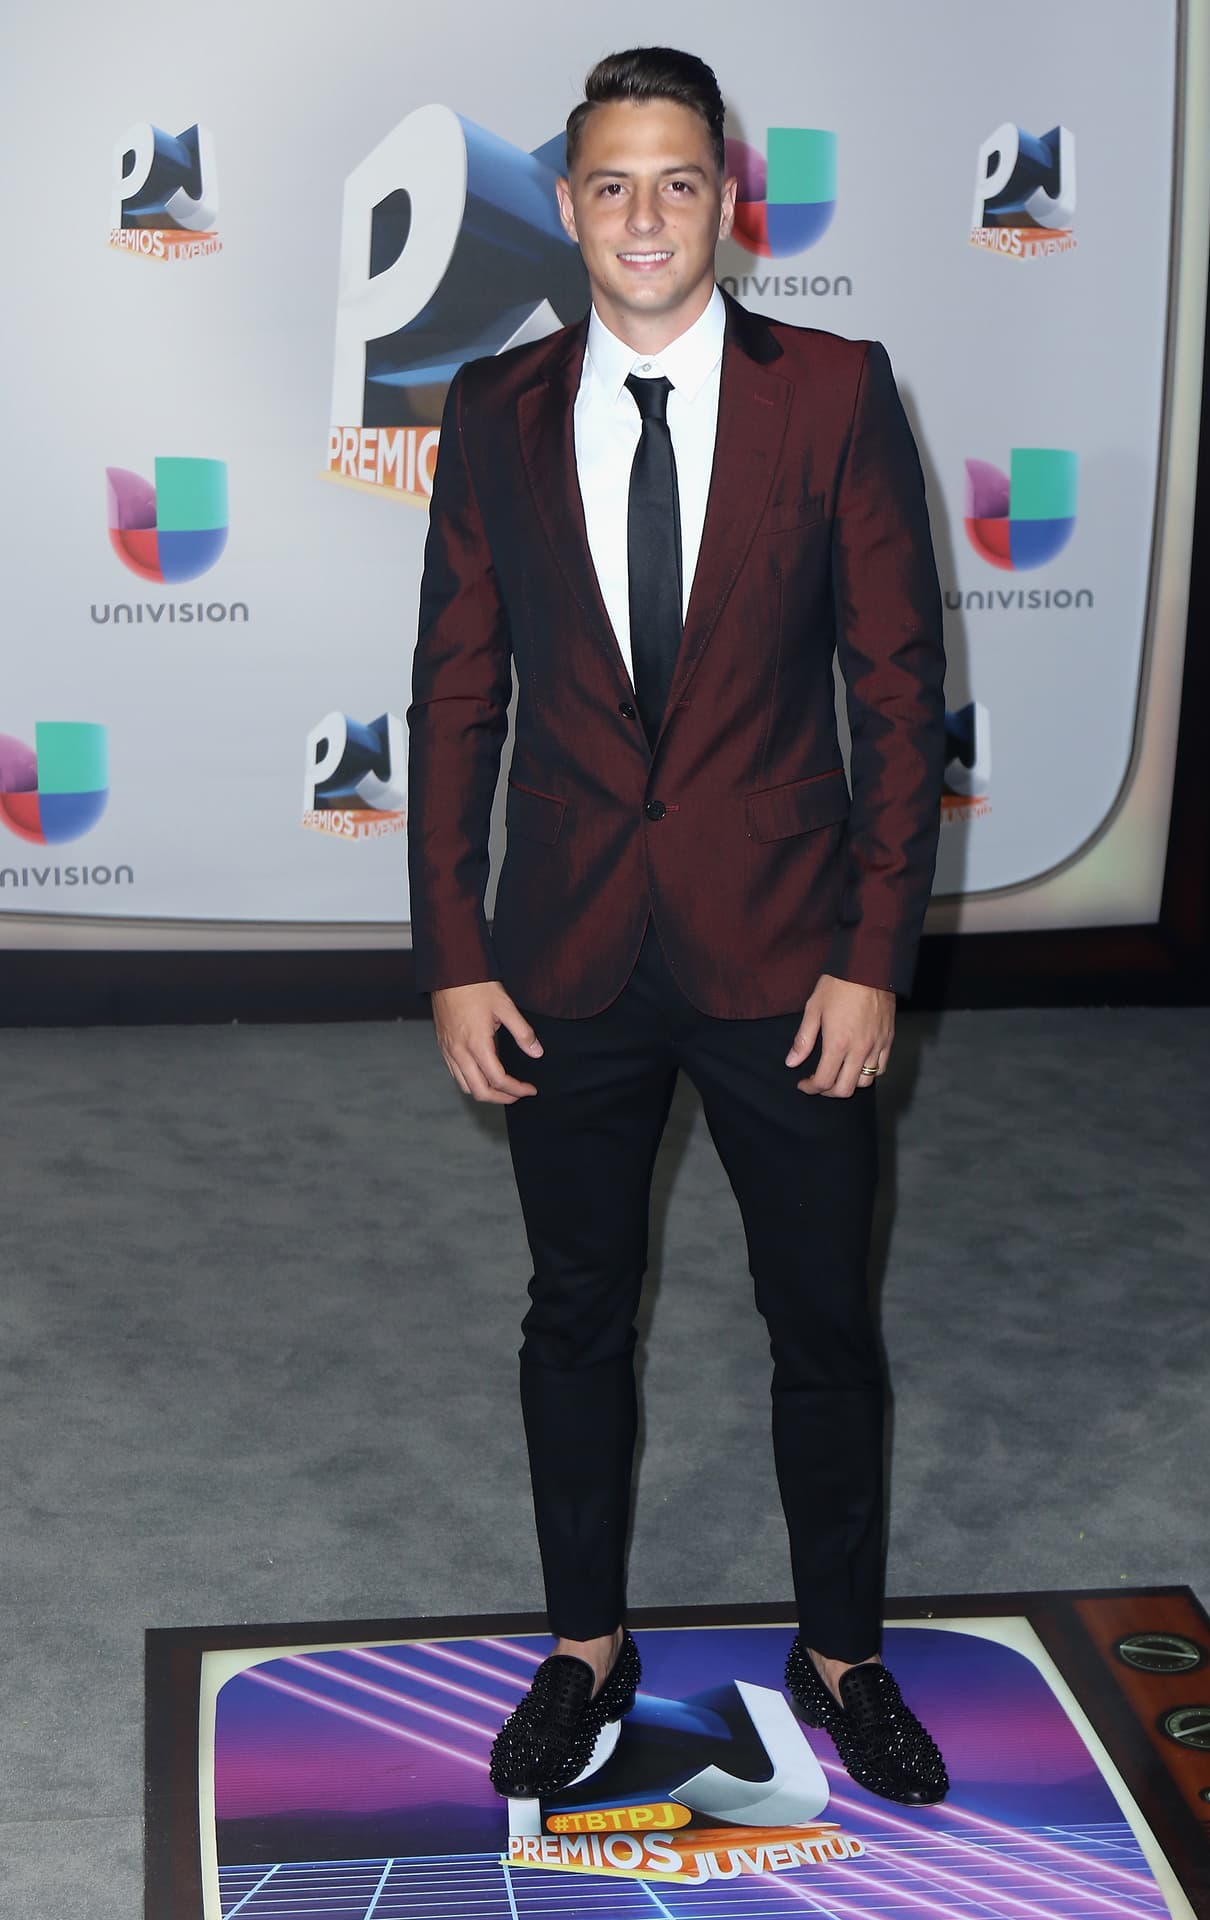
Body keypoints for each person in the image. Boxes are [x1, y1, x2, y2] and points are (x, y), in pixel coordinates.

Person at [408, 46, 948, 1807]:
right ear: (569, 207)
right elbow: (455, 695)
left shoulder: (840, 393)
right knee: (574, 1312)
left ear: (733, 203)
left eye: (683, 182)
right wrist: (453, 950)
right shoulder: (491, 410)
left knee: (824, 1323)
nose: (648, 216)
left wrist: (876, 955)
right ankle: (586, 1646)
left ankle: (841, 1649)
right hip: (563, 950)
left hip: (794, 954)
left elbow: (894, 684)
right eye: (615, 184)